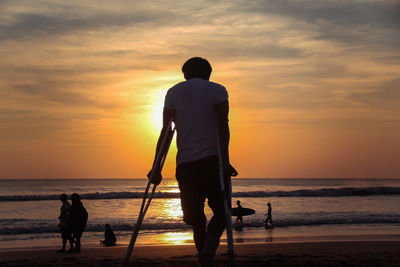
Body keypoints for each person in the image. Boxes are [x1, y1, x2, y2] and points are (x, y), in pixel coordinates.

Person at [148, 57, 238, 266]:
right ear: (208, 73)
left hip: (185, 165)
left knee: (196, 219)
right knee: (222, 212)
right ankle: (209, 249)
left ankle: (204, 256)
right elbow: (222, 125)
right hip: (212, 161)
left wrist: (156, 167)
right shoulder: (218, 90)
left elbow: (166, 132)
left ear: (185, 74)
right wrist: (225, 161)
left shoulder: (173, 92)